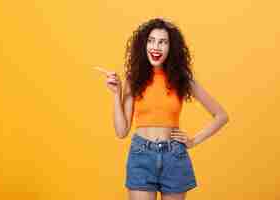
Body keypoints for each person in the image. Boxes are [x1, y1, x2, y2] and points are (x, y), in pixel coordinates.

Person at [94, 18, 229, 200]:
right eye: (151, 41)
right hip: (141, 155)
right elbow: (121, 131)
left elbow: (221, 116)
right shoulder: (134, 79)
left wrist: (193, 141)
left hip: (174, 155)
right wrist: (116, 94)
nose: (155, 47)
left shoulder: (182, 79)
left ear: (170, 48)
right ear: (144, 45)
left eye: (162, 42)